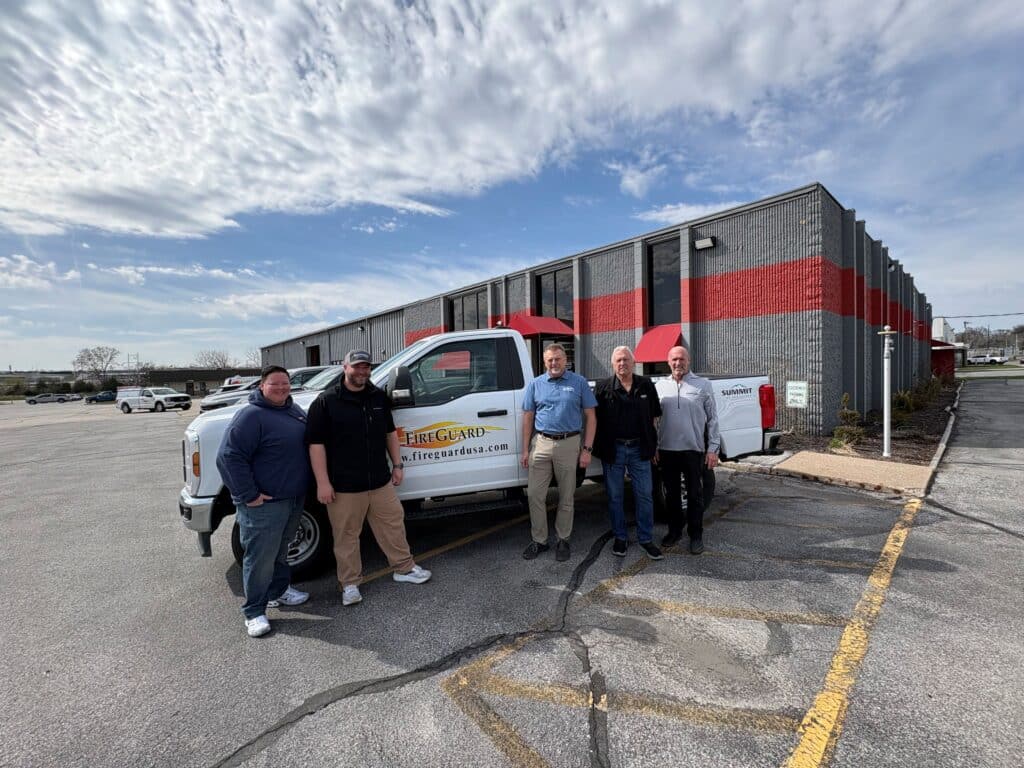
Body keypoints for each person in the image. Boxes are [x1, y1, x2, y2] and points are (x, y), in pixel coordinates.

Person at [305, 349, 431, 606]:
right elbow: (316, 445)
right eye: (357, 367)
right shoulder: (325, 401)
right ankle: (350, 584)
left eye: (366, 367)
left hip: (380, 482)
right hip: (344, 486)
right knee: (347, 536)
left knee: (393, 525)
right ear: (345, 367)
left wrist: (397, 465)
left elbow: (389, 433)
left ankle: (404, 569)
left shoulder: (377, 397)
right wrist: (322, 482)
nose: (362, 371)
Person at [216, 365, 311, 638]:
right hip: (263, 504)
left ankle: (279, 591)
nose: (281, 388)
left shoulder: (293, 411)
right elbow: (228, 457)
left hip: (293, 498)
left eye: (285, 383)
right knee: (259, 559)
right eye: (274, 384)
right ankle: (254, 611)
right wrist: (248, 495)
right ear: (261, 386)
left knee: (282, 552)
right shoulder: (250, 416)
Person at [520, 342, 597, 562]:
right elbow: (528, 417)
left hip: (569, 443)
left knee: (566, 495)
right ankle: (539, 541)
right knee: (535, 494)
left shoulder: (579, 383)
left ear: (565, 360)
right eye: (550, 360)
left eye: (558, 359)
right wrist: (525, 449)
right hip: (541, 443)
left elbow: (591, 417)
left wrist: (587, 449)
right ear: (545, 362)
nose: (554, 363)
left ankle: (563, 539)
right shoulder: (535, 384)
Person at [593, 346, 663, 560]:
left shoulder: (646, 385)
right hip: (613, 450)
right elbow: (593, 419)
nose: (622, 364)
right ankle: (620, 538)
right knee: (615, 497)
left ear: (634, 363)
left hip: (639, 450)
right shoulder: (603, 387)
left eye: (625, 360)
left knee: (644, 495)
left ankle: (646, 539)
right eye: (618, 361)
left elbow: (654, 417)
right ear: (612, 365)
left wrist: (654, 446)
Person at [654, 345, 720, 554]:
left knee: (695, 495)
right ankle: (674, 532)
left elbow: (713, 419)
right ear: (668, 362)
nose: (678, 363)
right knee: (672, 496)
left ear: (688, 361)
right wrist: (654, 447)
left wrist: (713, 449)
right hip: (667, 450)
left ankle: (696, 535)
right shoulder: (660, 386)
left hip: (694, 450)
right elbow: (654, 421)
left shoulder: (703, 385)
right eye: (674, 359)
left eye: (682, 359)